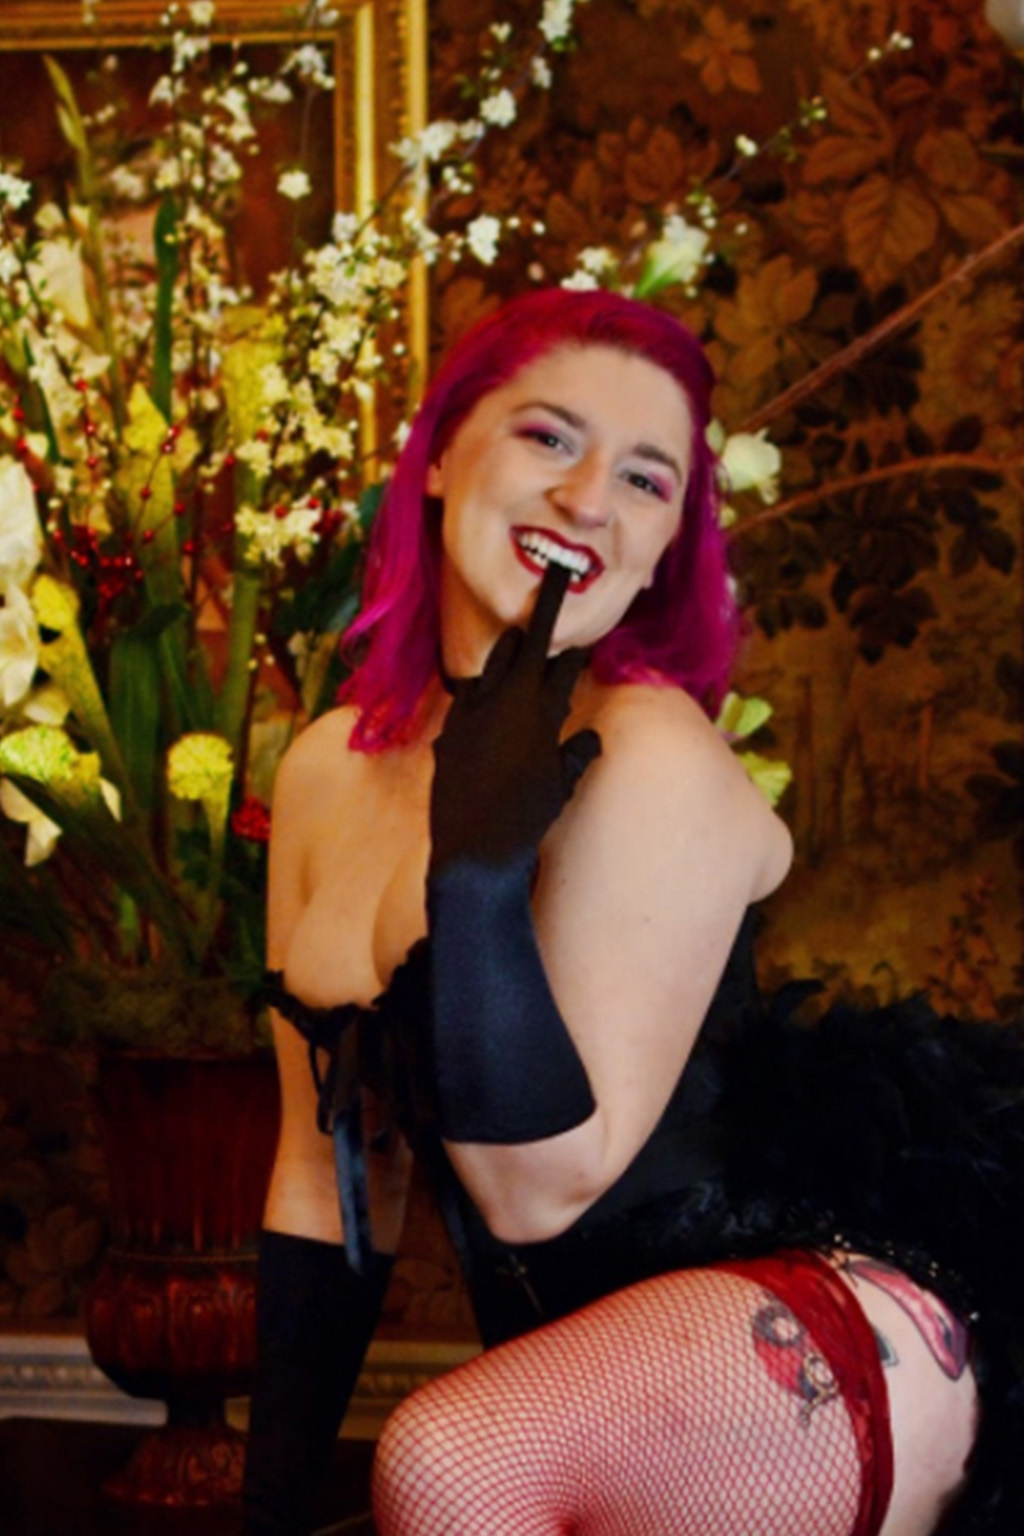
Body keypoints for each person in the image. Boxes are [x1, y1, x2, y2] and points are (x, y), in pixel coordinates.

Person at [243, 289, 1024, 1536]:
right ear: (438, 455)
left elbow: (536, 1194)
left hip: (806, 1327)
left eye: (645, 478)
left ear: (663, 548)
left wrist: (476, 877)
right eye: (548, 436)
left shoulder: (653, 753)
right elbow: (325, 1176)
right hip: (580, 1387)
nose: (586, 497)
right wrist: (269, 1512)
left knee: (447, 1462)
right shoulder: (324, 772)